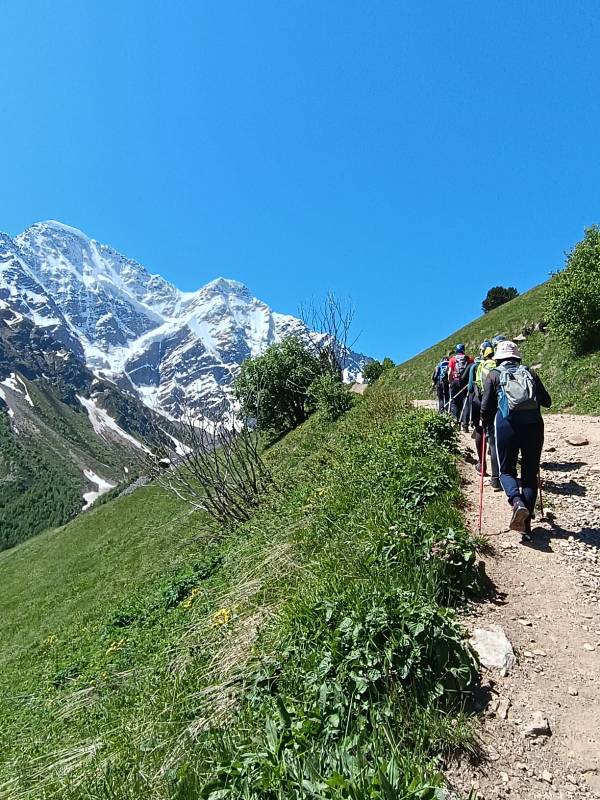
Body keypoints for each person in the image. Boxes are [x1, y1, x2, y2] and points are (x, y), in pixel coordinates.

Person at [481, 340, 551, 537]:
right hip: (534, 426)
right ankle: (526, 525)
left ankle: (516, 502)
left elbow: (486, 408)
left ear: (498, 358)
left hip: (507, 426)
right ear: (517, 357)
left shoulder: (494, 375)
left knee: (506, 471)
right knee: (530, 473)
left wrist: (485, 427)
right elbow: (547, 401)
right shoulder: (529, 372)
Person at [469, 343, 501, 489]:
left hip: (481, 403)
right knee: (495, 440)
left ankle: (482, 465)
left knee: (480, 431)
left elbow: (471, 387)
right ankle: (499, 475)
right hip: (498, 406)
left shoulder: (478, 366)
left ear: (483, 353)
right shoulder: (499, 366)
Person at [447, 344, 474, 429]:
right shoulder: (469, 359)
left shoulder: (452, 359)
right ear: (463, 350)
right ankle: (465, 425)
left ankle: (456, 423)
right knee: (465, 402)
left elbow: (450, 372)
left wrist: (450, 382)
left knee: (455, 402)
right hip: (465, 382)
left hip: (455, 382)